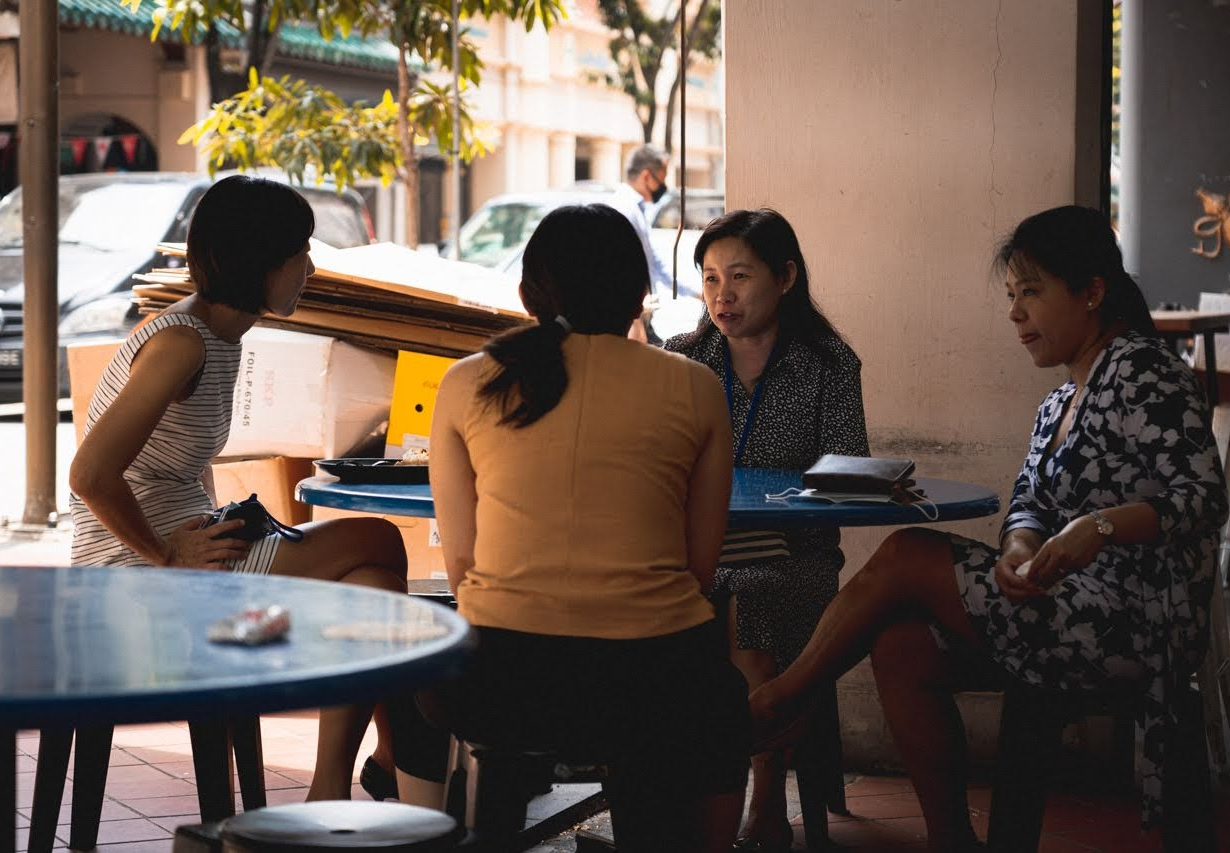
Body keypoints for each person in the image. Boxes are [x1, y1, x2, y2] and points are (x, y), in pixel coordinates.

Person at [749, 205, 1227, 852]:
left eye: (1030, 292)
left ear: (1091, 291)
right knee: (900, 644)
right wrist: (1019, 549)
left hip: (1134, 620)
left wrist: (1098, 527)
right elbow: (1026, 504)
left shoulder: (1144, 369)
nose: (1014, 313)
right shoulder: (1059, 400)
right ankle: (953, 840)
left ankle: (775, 702)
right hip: (1059, 606)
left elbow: (1200, 498)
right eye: (1010, 295)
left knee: (905, 551)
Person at [390, 203, 749, 852]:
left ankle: (424, 836)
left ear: (527, 294)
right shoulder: (696, 387)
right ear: (638, 296)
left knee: (412, 651)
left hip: (494, 684)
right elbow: (699, 568)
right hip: (655, 686)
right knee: (721, 696)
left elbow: (463, 564)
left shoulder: (468, 382)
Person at [68, 174, 408, 802]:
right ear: (260, 262)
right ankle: (387, 760)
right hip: (131, 567)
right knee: (380, 537)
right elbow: (89, 474)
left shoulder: (220, 334)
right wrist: (163, 554)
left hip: (190, 544)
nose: (309, 265)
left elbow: (180, 461)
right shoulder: (180, 342)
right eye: (299, 250)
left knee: (374, 588)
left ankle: (338, 783)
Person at [664, 207, 870, 852]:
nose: (722, 296)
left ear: (785, 277)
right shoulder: (682, 360)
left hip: (795, 553)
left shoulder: (828, 364)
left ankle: (762, 802)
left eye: (741, 278)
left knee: (746, 595)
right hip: (700, 548)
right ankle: (674, 788)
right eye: (710, 278)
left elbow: (849, 473)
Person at [613, 144, 676, 342]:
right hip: (634, 319)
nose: (663, 187)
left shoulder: (636, 209)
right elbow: (620, 266)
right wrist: (636, 316)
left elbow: (653, 261)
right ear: (647, 177)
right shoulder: (624, 210)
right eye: (662, 180)